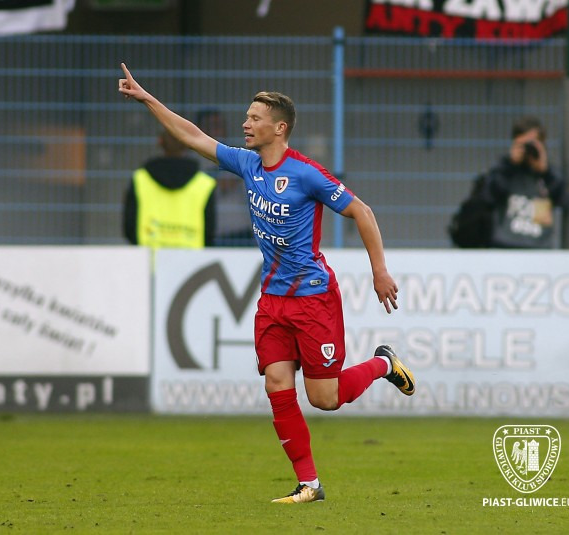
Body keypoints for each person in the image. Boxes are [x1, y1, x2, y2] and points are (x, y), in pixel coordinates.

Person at [118, 63, 415, 504]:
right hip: (273, 300)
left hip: (313, 299)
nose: (245, 124)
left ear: (279, 128)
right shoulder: (247, 163)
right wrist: (148, 99)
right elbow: (192, 135)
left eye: (254, 118)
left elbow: (362, 212)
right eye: (247, 116)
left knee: (325, 398)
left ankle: (383, 364)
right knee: (277, 383)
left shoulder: (306, 173)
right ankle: (309, 483)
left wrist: (380, 271)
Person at [123, 129, 216, 249]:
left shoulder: (140, 179)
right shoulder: (204, 183)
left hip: (150, 257)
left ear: (160, 141)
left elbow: (129, 225)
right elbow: (209, 231)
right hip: (190, 258)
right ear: (187, 145)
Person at [482, 116, 567, 248]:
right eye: (523, 145)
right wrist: (510, 164)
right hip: (505, 246)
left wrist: (545, 172)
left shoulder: (549, 174)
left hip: (539, 248)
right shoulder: (504, 169)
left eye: (532, 144)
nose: (528, 150)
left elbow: (563, 200)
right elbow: (489, 197)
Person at [195, 108, 255, 246]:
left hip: (242, 231)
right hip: (212, 233)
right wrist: (217, 183)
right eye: (212, 126)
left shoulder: (236, 155)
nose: (217, 130)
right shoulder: (194, 160)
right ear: (201, 129)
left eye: (220, 126)